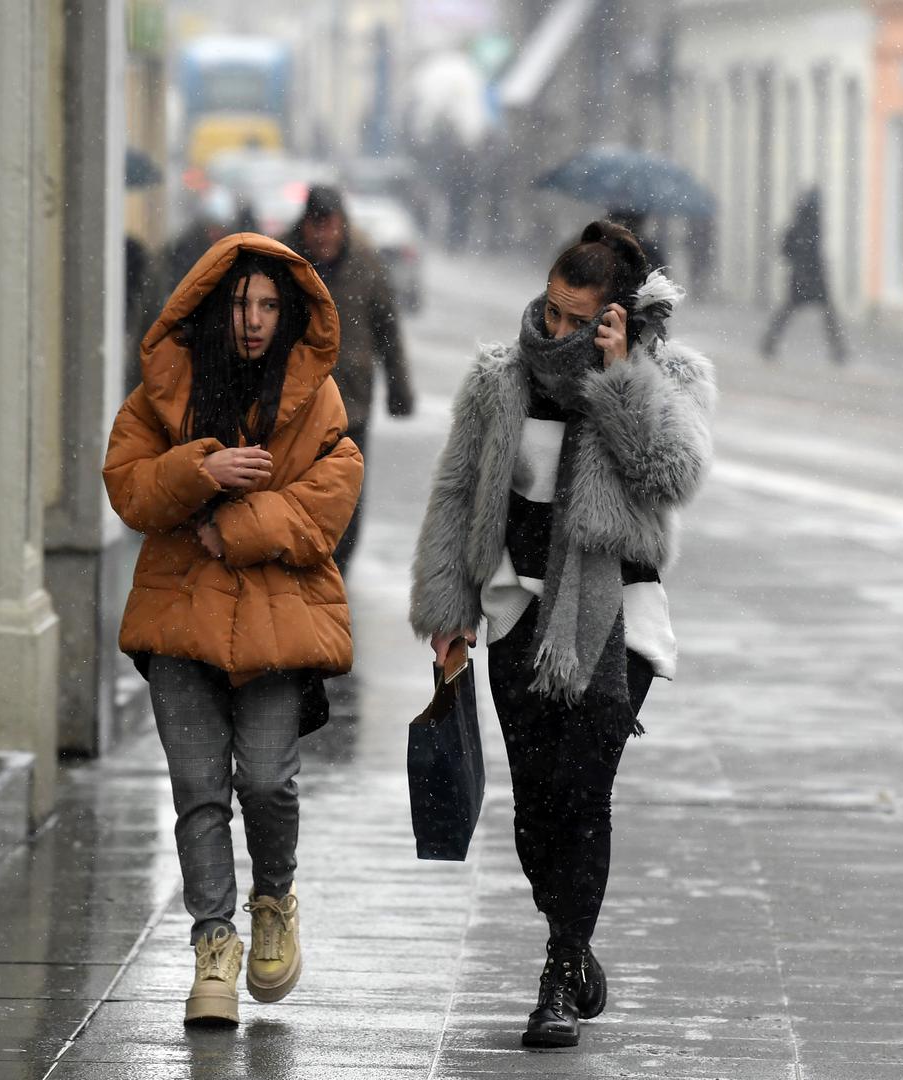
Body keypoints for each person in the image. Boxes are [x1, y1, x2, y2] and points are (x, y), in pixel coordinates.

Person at [410, 221, 716, 1049]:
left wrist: (618, 380)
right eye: (550, 310)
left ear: (615, 317)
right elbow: (458, 492)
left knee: (582, 795)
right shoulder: (500, 379)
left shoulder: (665, 376)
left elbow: (668, 475)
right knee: (537, 807)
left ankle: (559, 970)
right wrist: (449, 610)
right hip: (518, 616)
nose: (555, 329)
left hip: (615, 622)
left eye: (576, 318)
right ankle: (572, 942)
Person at [102, 233, 363, 1026]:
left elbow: (332, 493)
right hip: (180, 617)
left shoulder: (314, 396)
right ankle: (212, 947)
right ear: (217, 308)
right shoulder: (165, 388)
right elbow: (127, 487)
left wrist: (239, 524)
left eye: (269, 306)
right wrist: (200, 472)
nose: (253, 320)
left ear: (287, 315)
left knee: (267, 781)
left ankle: (273, 899)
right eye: (242, 304)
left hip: (277, 624)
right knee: (197, 792)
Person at [284, 185, 415, 571]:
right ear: (305, 224)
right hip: (296, 404)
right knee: (297, 488)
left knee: (347, 491)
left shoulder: (366, 264)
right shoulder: (284, 259)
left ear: (343, 224)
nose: (323, 236)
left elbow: (388, 331)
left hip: (350, 404)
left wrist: (400, 390)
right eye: (316, 226)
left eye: (330, 225)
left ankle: (337, 567)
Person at [759, 190, 848, 364]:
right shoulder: (810, 226)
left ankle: (769, 343)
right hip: (810, 277)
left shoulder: (801, 225)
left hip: (804, 277)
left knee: (791, 312)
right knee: (824, 315)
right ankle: (838, 350)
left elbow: (785, 249)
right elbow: (792, 249)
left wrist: (798, 264)